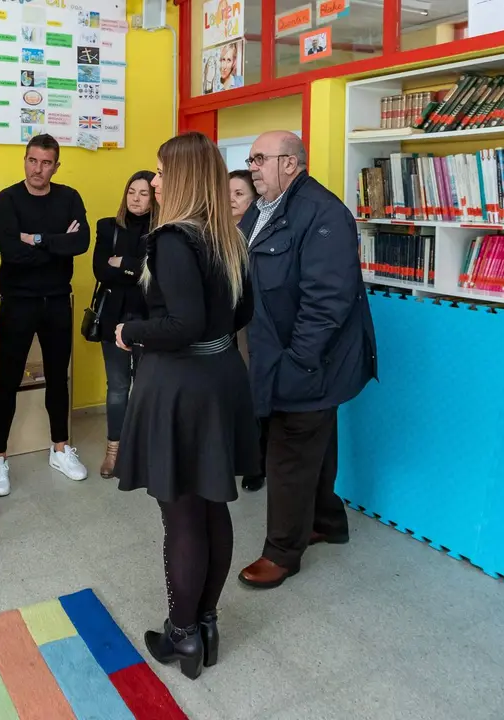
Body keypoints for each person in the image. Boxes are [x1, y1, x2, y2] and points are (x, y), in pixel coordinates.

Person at [113, 131, 259, 680]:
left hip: (181, 386)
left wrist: (132, 330)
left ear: (182, 178)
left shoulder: (173, 238)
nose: (154, 181)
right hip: (221, 377)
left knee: (181, 516)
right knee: (211, 505)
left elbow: (182, 324)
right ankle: (206, 620)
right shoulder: (228, 235)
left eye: (160, 172)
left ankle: (181, 635)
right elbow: (241, 313)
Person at [236, 130, 378, 591]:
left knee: (289, 454)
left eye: (260, 159)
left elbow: (327, 303)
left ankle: (282, 552)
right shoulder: (262, 210)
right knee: (315, 443)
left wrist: (297, 363)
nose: (252, 167)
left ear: (291, 164)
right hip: (275, 354)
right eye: (251, 159)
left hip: (308, 362)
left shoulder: (324, 213)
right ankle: (327, 522)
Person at [0, 133, 90, 495]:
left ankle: (59, 449)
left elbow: (81, 243)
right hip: (18, 301)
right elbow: (12, 253)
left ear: (56, 166)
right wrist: (56, 242)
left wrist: (37, 239)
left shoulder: (70, 197)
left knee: (58, 378)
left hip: (57, 300)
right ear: (25, 161)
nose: (38, 169)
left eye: (46, 163)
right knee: (9, 380)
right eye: (33, 161)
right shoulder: (7, 199)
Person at [91, 170, 156, 478]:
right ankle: (114, 451)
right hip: (112, 319)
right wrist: (136, 269)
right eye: (132, 191)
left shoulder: (163, 231)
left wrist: (124, 264)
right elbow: (101, 272)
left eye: (144, 193)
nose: (136, 198)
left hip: (150, 321)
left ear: (154, 197)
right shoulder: (108, 227)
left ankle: (144, 451)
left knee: (147, 388)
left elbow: (155, 276)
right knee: (118, 388)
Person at [229, 169, 267, 492]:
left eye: (238, 194)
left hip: (251, 324)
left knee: (253, 390)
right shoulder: (219, 232)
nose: (230, 199)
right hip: (222, 326)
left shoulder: (257, 233)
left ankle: (257, 461)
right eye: (226, 192)